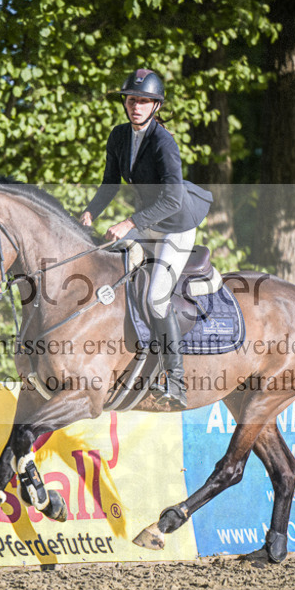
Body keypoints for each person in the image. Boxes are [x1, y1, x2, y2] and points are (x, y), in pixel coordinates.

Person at [79, 68, 213, 411]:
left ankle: (177, 381)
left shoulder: (163, 141)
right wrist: (89, 212)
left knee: (155, 297)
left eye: (144, 101)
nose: (136, 105)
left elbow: (173, 198)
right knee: (109, 270)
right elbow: (110, 182)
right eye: (131, 99)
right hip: (148, 221)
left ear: (156, 106)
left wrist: (128, 223)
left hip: (176, 224)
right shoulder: (119, 135)